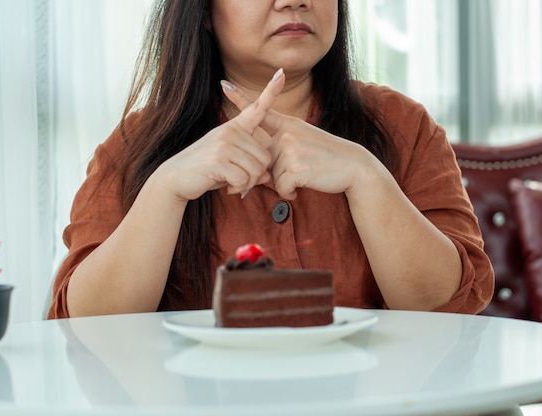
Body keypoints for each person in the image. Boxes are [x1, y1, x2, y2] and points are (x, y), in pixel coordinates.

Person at [48, 0, 494, 319]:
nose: (294, 2)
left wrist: (366, 176)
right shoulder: (136, 145)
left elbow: (453, 306)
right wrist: (165, 191)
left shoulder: (404, 125)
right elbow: (83, 326)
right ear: (202, 11)